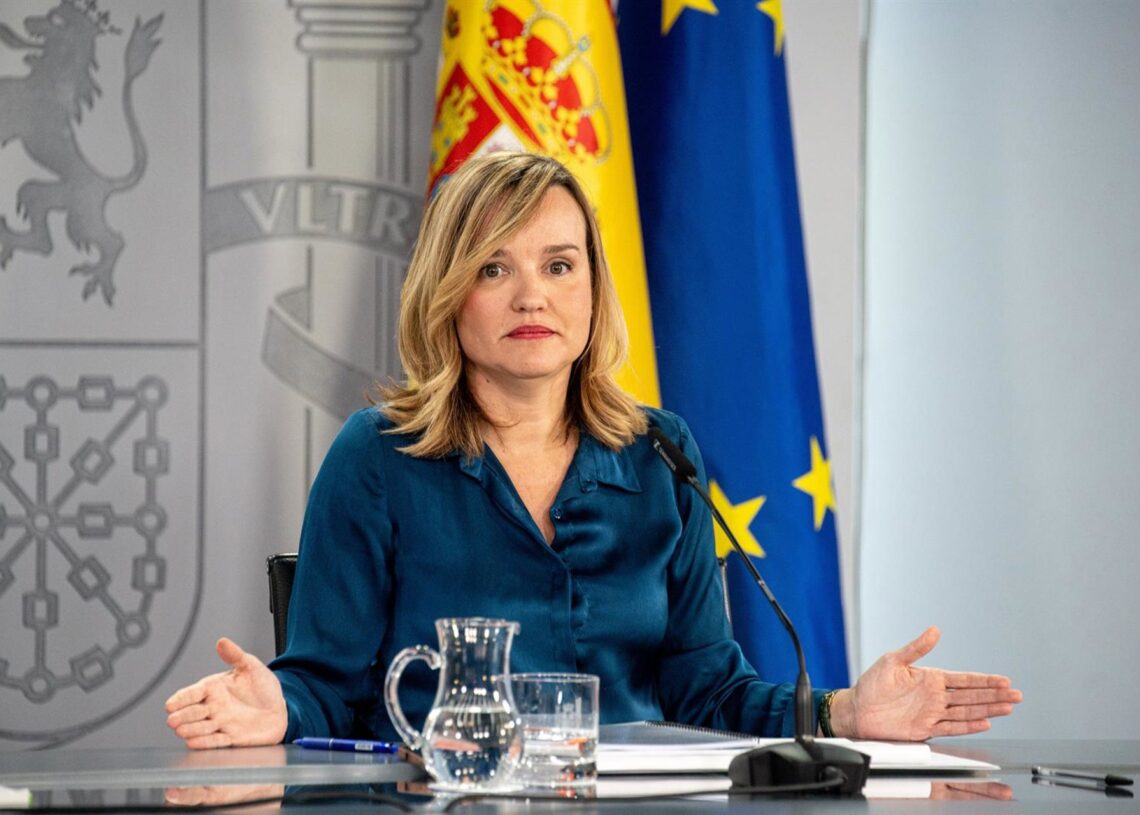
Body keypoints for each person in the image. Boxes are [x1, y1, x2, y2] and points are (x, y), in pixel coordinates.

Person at [165, 152, 1021, 750]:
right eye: (493, 268)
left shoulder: (661, 455)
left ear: (593, 291)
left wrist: (839, 711)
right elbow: (330, 685)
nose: (532, 292)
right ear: (448, 295)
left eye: (560, 264)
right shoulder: (378, 456)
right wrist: (275, 702)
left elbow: (709, 690)